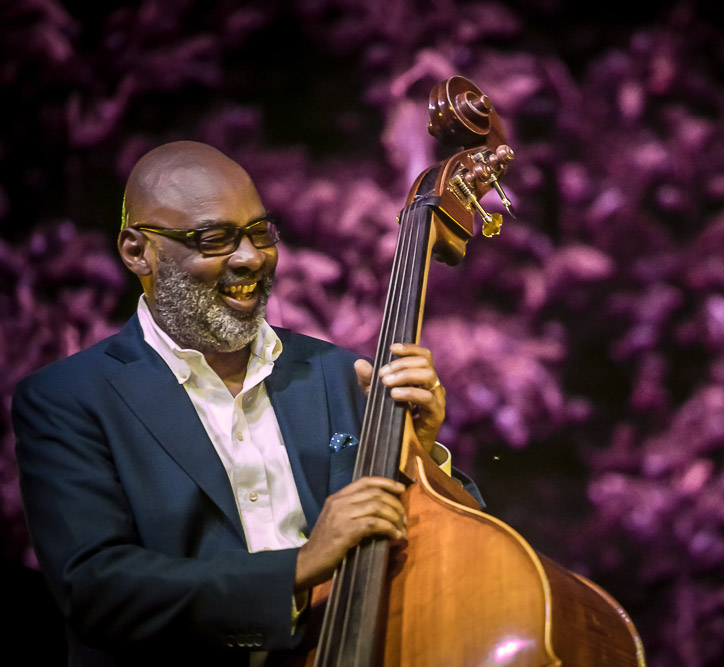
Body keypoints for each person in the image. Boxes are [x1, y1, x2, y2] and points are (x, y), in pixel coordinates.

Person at [12, 141, 479, 666]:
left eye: (260, 232)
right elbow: (99, 591)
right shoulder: (68, 399)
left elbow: (460, 546)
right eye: (214, 239)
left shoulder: (340, 373)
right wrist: (299, 566)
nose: (251, 257)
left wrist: (423, 454)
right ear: (136, 250)